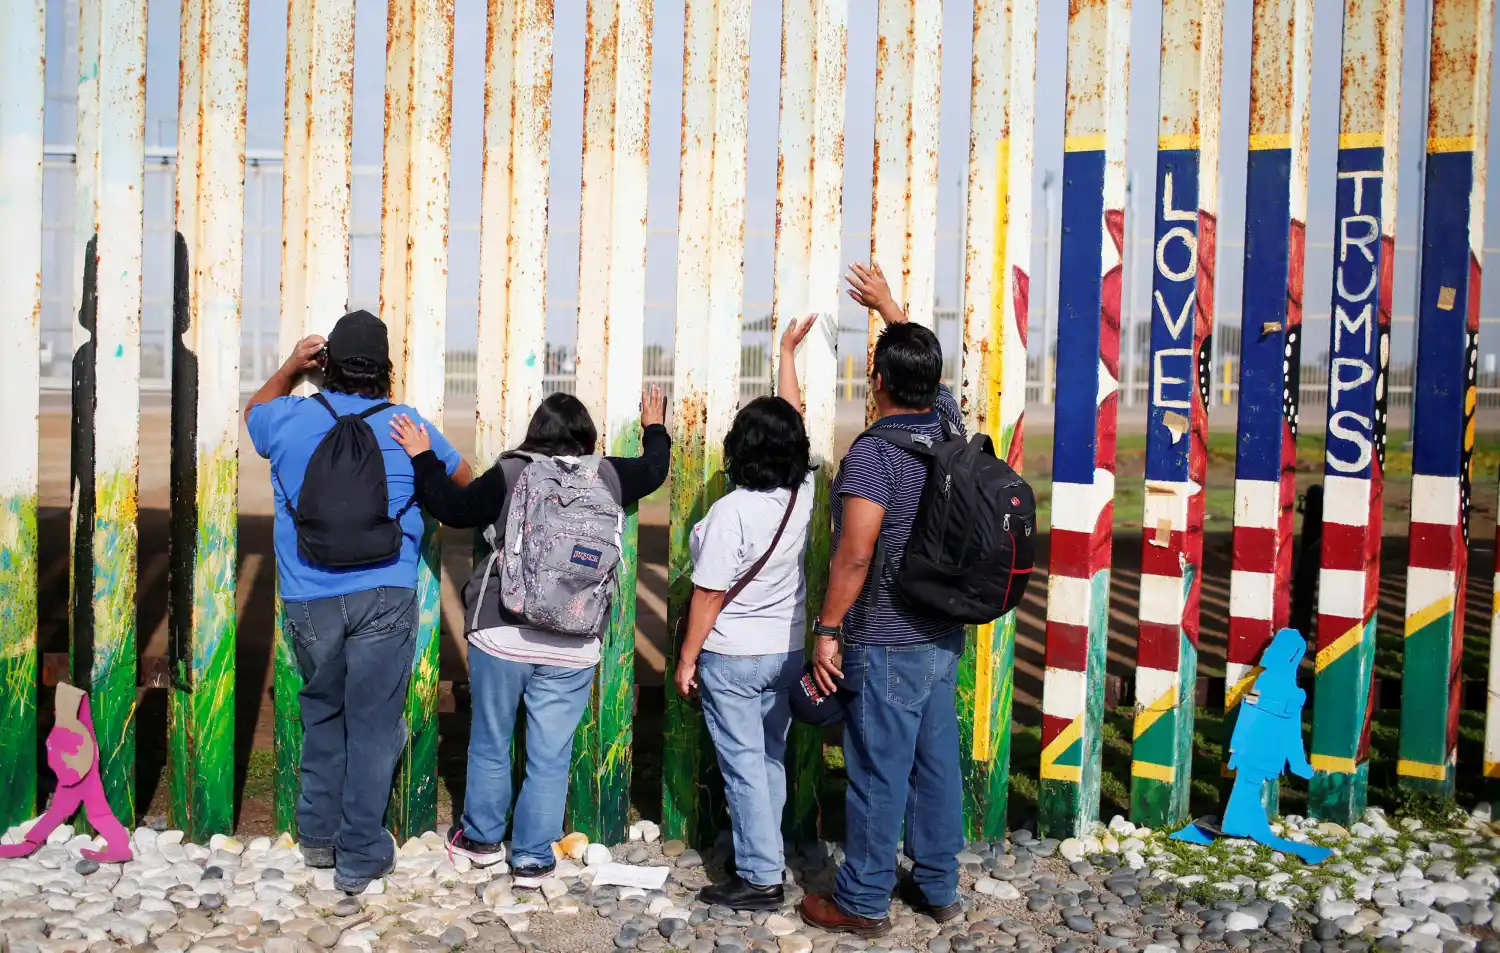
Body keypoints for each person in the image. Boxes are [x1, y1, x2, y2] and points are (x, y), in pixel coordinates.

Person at [389, 388, 670, 887]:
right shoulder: (608, 475)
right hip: (576, 641)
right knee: (550, 754)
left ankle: (481, 841)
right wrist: (654, 426)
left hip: (504, 632)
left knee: (492, 740)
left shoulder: (512, 472)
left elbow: (451, 506)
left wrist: (422, 455)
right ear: (587, 436)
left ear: (535, 431)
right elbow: (654, 469)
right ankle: (534, 858)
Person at [245, 309, 471, 895]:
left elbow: (252, 414)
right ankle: (361, 852)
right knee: (372, 724)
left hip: (308, 595)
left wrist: (291, 368)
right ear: (386, 368)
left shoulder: (289, 418)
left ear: (328, 364)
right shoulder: (408, 424)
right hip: (385, 592)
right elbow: (465, 478)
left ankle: (318, 838)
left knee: (322, 712)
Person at [798, 263, 968, 937]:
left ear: (877, 383)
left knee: (876, 771)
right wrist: (892, 309)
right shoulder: (947, 428)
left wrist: (828, 627)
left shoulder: (874, 455)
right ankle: (939, 884)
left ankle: (864, 899)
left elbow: (855, 554)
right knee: (936, 765)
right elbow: (934, 382)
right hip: (941, 634)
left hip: (887, 635)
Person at [675, 314, 820, 910]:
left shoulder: (732, 511)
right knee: (768, 757)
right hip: (784, 652)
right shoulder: (801, 495)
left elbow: (708, 595)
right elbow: (794, 421)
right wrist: (785, 354)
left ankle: (760, 876)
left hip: (732, 655)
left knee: (741, 765)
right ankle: (767, 855)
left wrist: (687, 659)